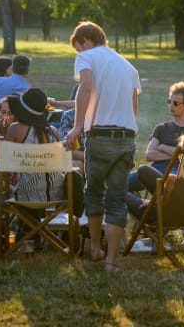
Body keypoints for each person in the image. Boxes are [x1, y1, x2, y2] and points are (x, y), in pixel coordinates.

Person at [64, 21, 141, 273]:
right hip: (127, 136)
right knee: (117, 199)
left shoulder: (87, 57)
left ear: (85, 41)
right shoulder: (127, 65)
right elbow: (133, 104)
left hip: (100, 135)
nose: (78, 54)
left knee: (94, 193)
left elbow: (85, 88)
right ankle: (111, 262)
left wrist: (76, 127)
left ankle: (96, 248)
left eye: (78, 49)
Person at [127, 81, 184, 192]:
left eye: (176, 103)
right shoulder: (161, 128)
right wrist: (177, 155)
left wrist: (163, 147)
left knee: (172, 187)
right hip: (157, 169)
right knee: (120, 184)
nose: (171, 105)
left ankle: (161, 205)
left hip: (180, 171)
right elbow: (150, 155)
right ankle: (144, 205)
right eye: (169, 102)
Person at [125, 132, 184, 223]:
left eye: (181, 154)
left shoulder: (174, 180)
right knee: (143, 170)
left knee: (117, 192)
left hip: (161, 217)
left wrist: (153, 202)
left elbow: (165, 205)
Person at [4, 88, 66, 203]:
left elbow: (5, 165)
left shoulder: (15, 129)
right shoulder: (53, 132)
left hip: (26, 197)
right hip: (57, 196)